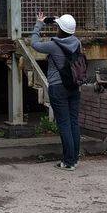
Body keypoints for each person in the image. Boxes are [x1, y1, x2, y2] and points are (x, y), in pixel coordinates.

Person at [31, 10, 82, 170]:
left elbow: (34, 43)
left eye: (57, 26)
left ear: (60, 29)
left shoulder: (53, 45)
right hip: (74, 86)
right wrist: (51, 20)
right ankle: (74, 158)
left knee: (64, 123)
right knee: (73, 122)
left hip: (58, 87)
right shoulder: (77, 43)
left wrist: (39, 24)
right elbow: (65, 29)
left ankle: (68, 162)